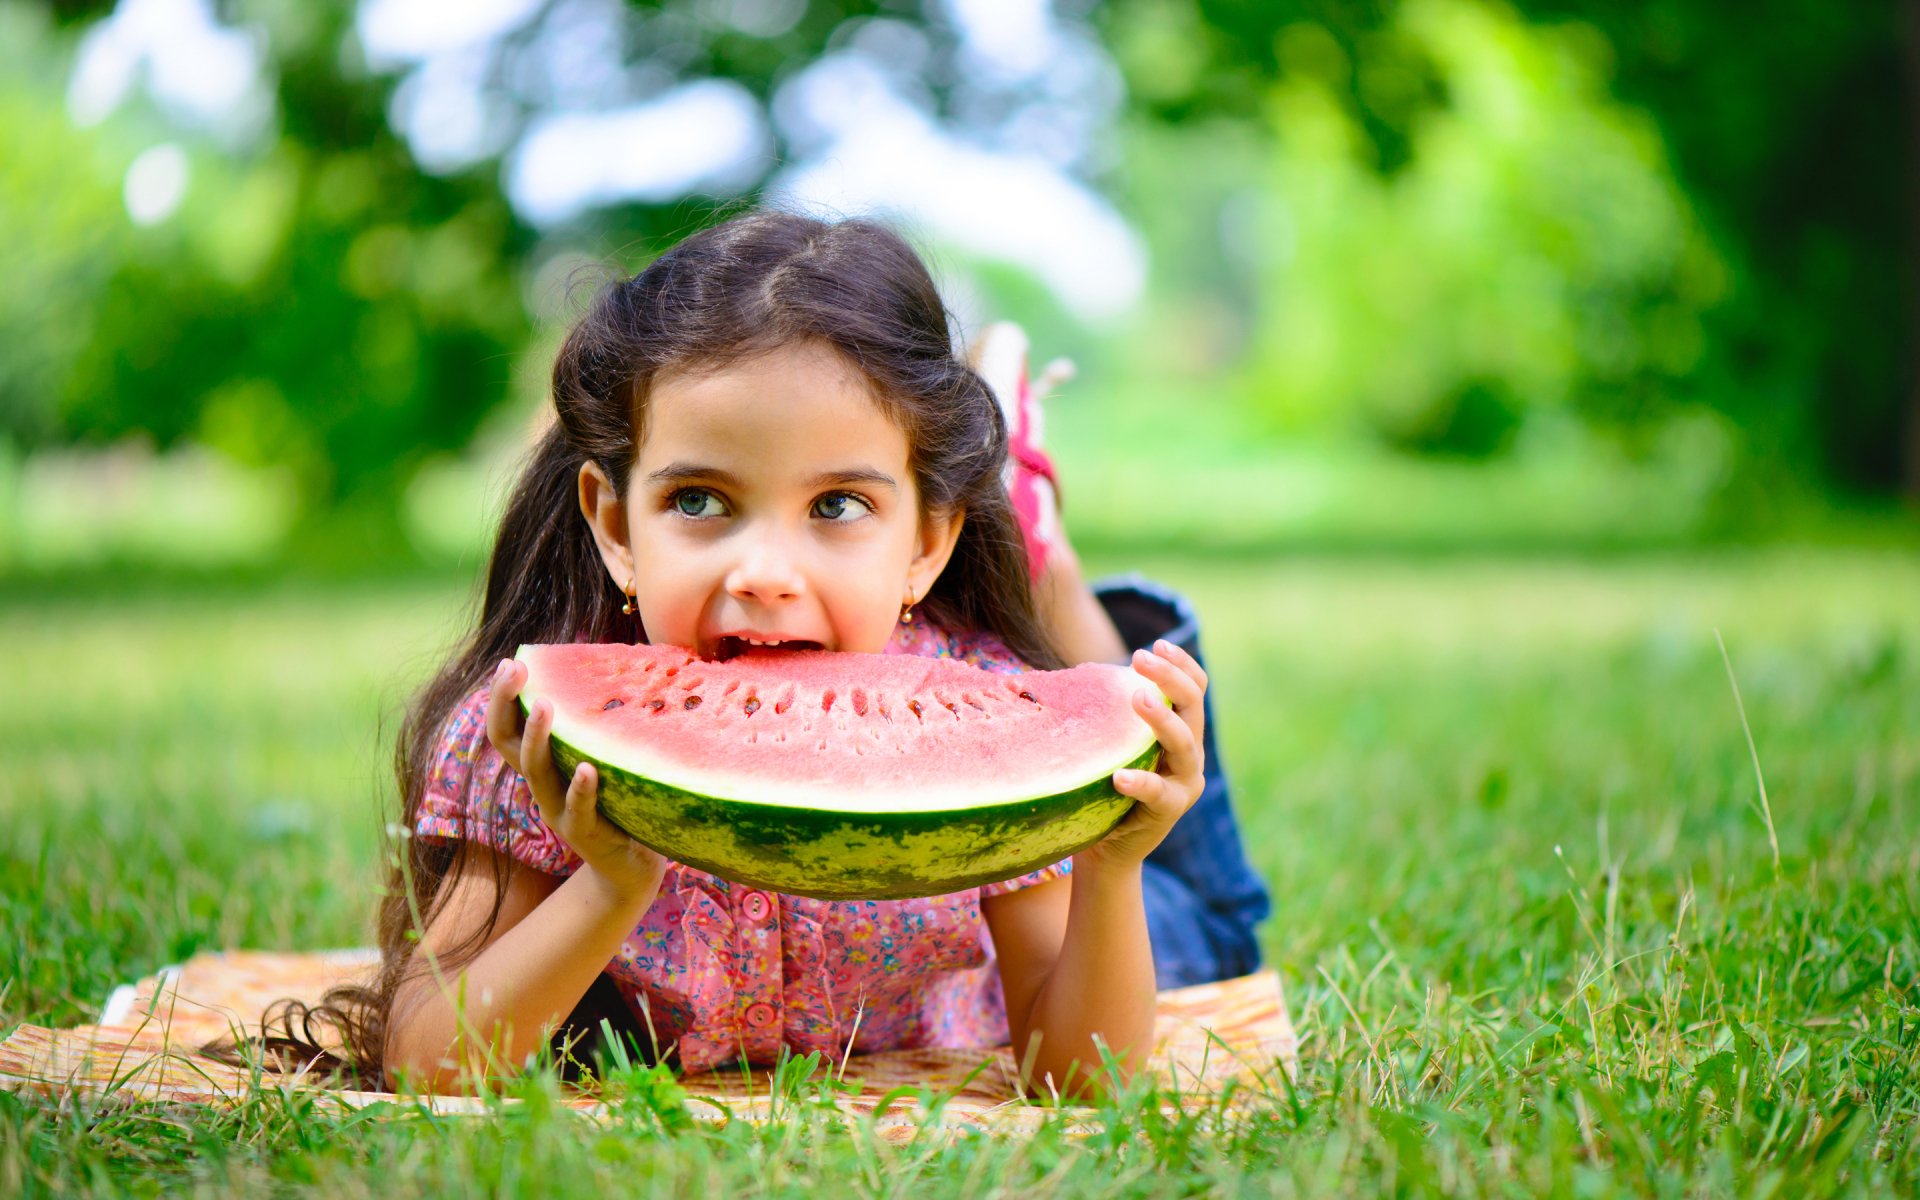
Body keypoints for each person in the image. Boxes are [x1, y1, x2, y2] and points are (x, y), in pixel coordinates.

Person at [303, 210, 1269, 1102]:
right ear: (614, 523)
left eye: (837, 506)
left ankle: (1033, 532)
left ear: (929, 543)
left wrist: (1111, 865)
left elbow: (1078, 1079)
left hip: (1110, 859)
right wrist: (608, 880)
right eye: (699, 501)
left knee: (1206, 930)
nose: (764, 571)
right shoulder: (533, 734)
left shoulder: (986, 704)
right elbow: (428, 1062)